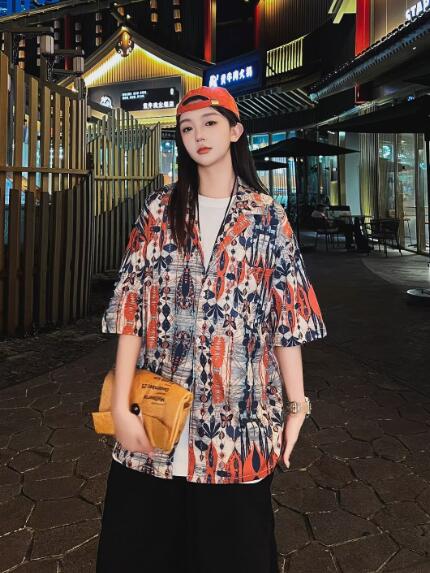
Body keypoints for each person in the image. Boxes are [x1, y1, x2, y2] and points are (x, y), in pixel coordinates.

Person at [96, 86, 327, 573]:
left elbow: (286, 320)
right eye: (187, 128)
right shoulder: (159, 212)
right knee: (140, 551)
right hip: (158, 415)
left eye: (209, 123)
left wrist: (297, 406)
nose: (197, 135)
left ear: (235, 131)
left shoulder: (267, 218)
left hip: (238, 425)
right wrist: (118, 404)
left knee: (235, 554)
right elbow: (132, 309)